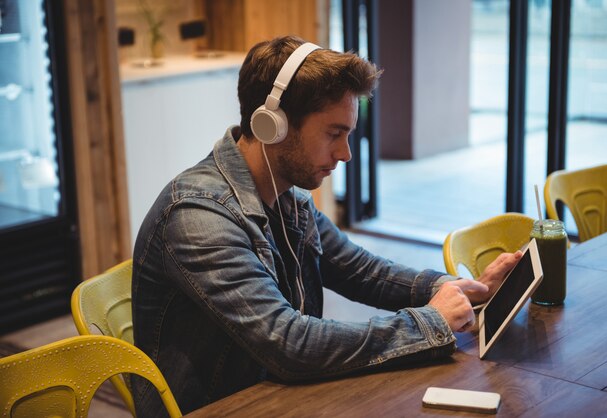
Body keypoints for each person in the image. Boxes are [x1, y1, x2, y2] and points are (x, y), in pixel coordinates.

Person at [131, 35, 521, 416]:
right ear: (273, 125)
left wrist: (456, 291)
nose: (345, 153)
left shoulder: (287, 196)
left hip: (281, 395)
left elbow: (363, 271)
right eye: (334, 134)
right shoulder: (199, 218)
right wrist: (430, 323)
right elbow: (291, 344)